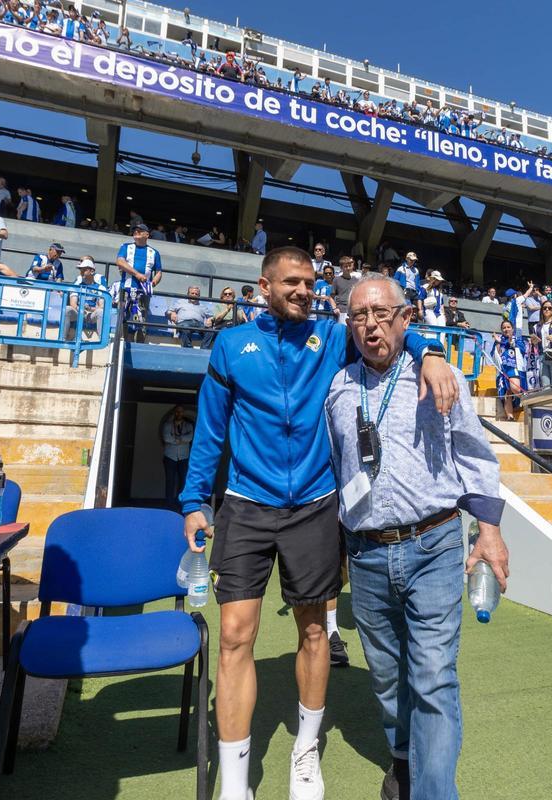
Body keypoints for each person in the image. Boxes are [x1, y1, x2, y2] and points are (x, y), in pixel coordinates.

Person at [178, 247, 457, 800]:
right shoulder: (231, 345)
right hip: (247, 503)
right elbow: (210, 429)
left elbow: (390, 330)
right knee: (234, 636)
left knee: (314, 632)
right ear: (265, 287)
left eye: (309, 283)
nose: (304, 291)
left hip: (314, 504)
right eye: (292, 283)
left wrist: (429, 353)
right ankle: (235, 780)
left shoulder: (331, 336)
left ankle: (305, 751)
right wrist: (193, 499)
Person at [325, 274, 508, 800]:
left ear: (406, 318)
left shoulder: (440, 377)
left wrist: (489, 531)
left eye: (382, 314)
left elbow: (474, 454)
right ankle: (403, 758)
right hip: (366, 554)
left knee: (432, 674)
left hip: (434, 545)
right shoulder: (338, 387)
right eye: (360, 316)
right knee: (387, 676)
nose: (371, 326)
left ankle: (432, 792)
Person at [117, 222, 163, 343]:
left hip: (143, 291)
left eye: (140, 230)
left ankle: (139, 344)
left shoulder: (154, 252)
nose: (136, 232)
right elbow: (120, 262)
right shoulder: (126, 247)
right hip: (126, 289)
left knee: (141, 318)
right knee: (123, 315)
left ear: (147, 235)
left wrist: (153, 283)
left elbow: (158, 272)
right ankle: (122, 342)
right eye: (134, 230)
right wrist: (137, 274)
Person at [64, 257, 106, 341]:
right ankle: (63, 339)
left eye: (84, 270)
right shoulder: (77, 286)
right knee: (67, 309)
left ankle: (103, 341)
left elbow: (102, 306)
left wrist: (90, 309)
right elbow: (73, 303)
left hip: (92, 314)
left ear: (92, 271)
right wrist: (81, 309)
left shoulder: (100, 287)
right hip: (78, 312)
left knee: (100, 312)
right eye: (80, 270)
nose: (81, 272)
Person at [161, 404, 194, 508]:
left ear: (183, 413)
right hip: (170, 456)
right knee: (170, 480)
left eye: (181, 411)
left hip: (184, 457)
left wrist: (175, 439)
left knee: (183, 480)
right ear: (174, 413)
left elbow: (190, 437)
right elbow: (166, 438)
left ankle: (180, 503)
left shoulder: (189, 425)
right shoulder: (167, 425)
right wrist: (181, 440)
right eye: (177, 411)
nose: (179, 413)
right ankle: (169, 504)